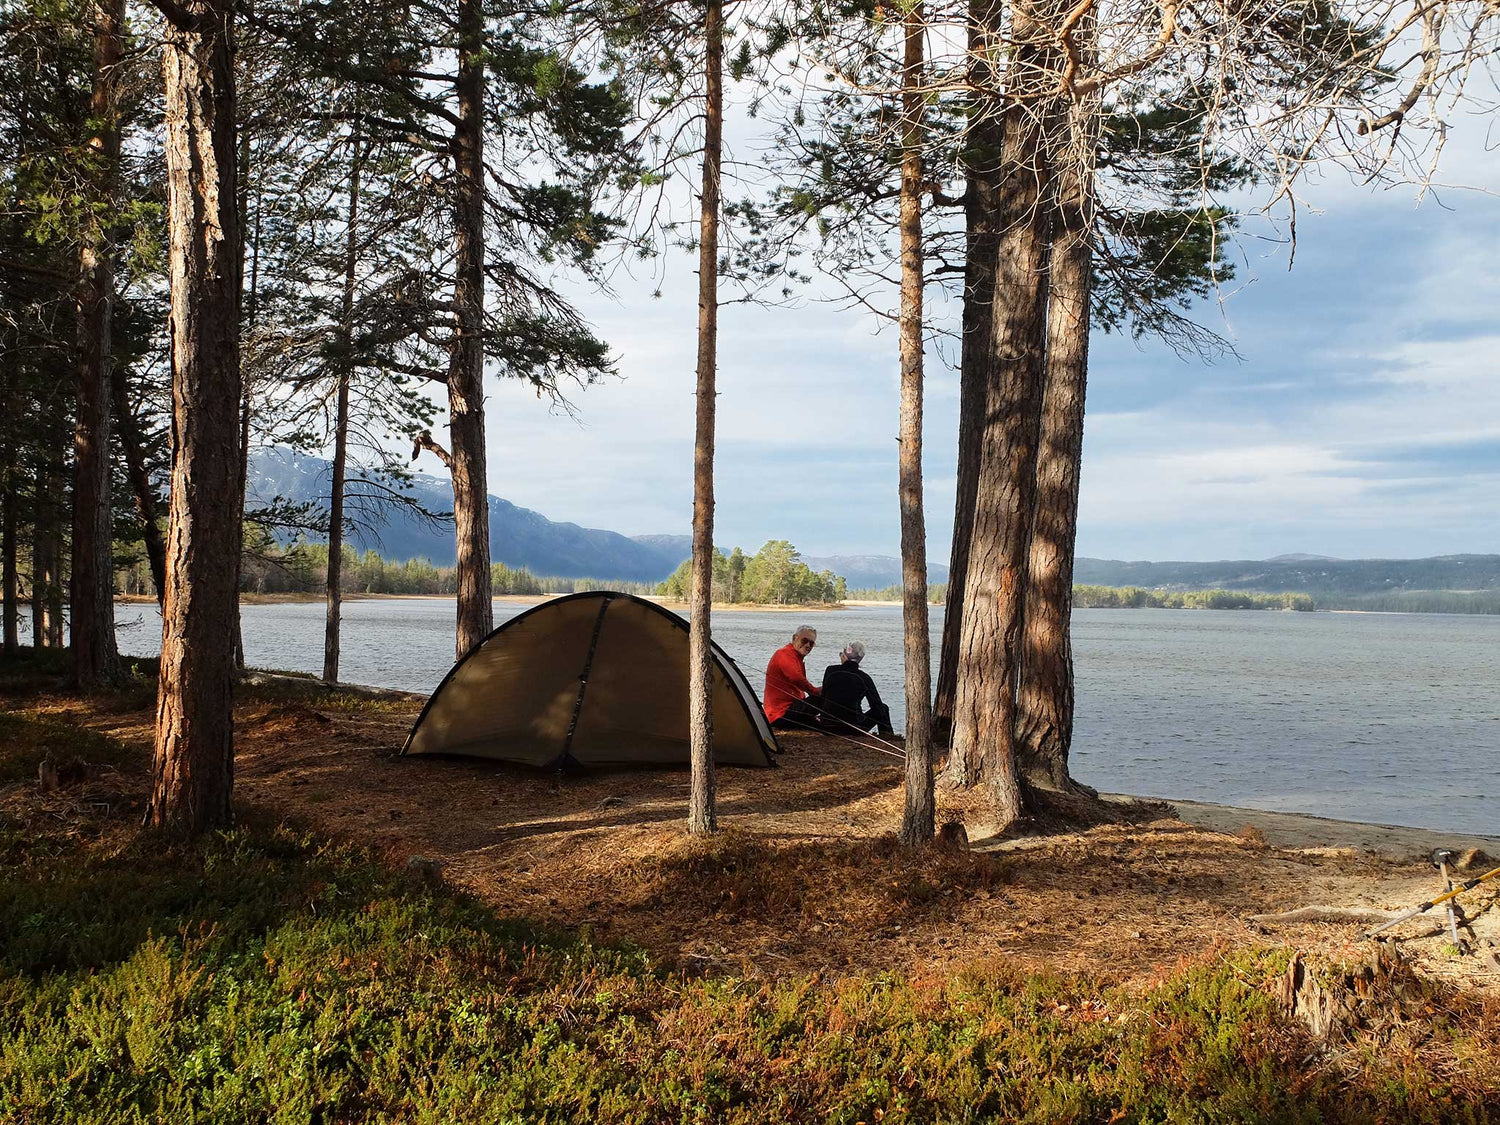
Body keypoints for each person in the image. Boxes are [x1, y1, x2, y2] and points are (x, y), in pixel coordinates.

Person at [819, 640, 894, 737]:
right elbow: (877, 706)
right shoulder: (864, 678)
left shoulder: (830, 670)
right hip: (854, 729)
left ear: (844, 656)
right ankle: (888, 736)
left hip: (827, 726)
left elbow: (824, 696)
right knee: (883, 708)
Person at [763, 625, 822, 731]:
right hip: (781, 713)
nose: (808, 645)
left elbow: (799, 687)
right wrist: (815, 691)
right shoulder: (784, 654)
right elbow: (796, 678)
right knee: (824, 695)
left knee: (820, 726)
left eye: (811, 643)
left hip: (790, 709)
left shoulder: (796, 657)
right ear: (795, 638)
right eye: (805, 640)